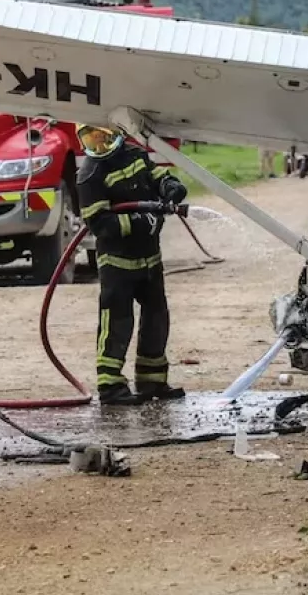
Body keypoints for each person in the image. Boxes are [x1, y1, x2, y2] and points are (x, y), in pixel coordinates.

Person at [75, 123, 190, 406]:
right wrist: (140, 221)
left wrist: (170, 186)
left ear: (118, 133)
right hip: (117, 263)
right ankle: (111, 386)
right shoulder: (89, 175)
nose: (99, 145)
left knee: (156, 317)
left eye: (104, 138)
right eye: (92, 140)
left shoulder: (135, 155)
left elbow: (155, 176)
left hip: (150, 259)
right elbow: (100, 224)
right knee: (117, 321)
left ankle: (152, 382)